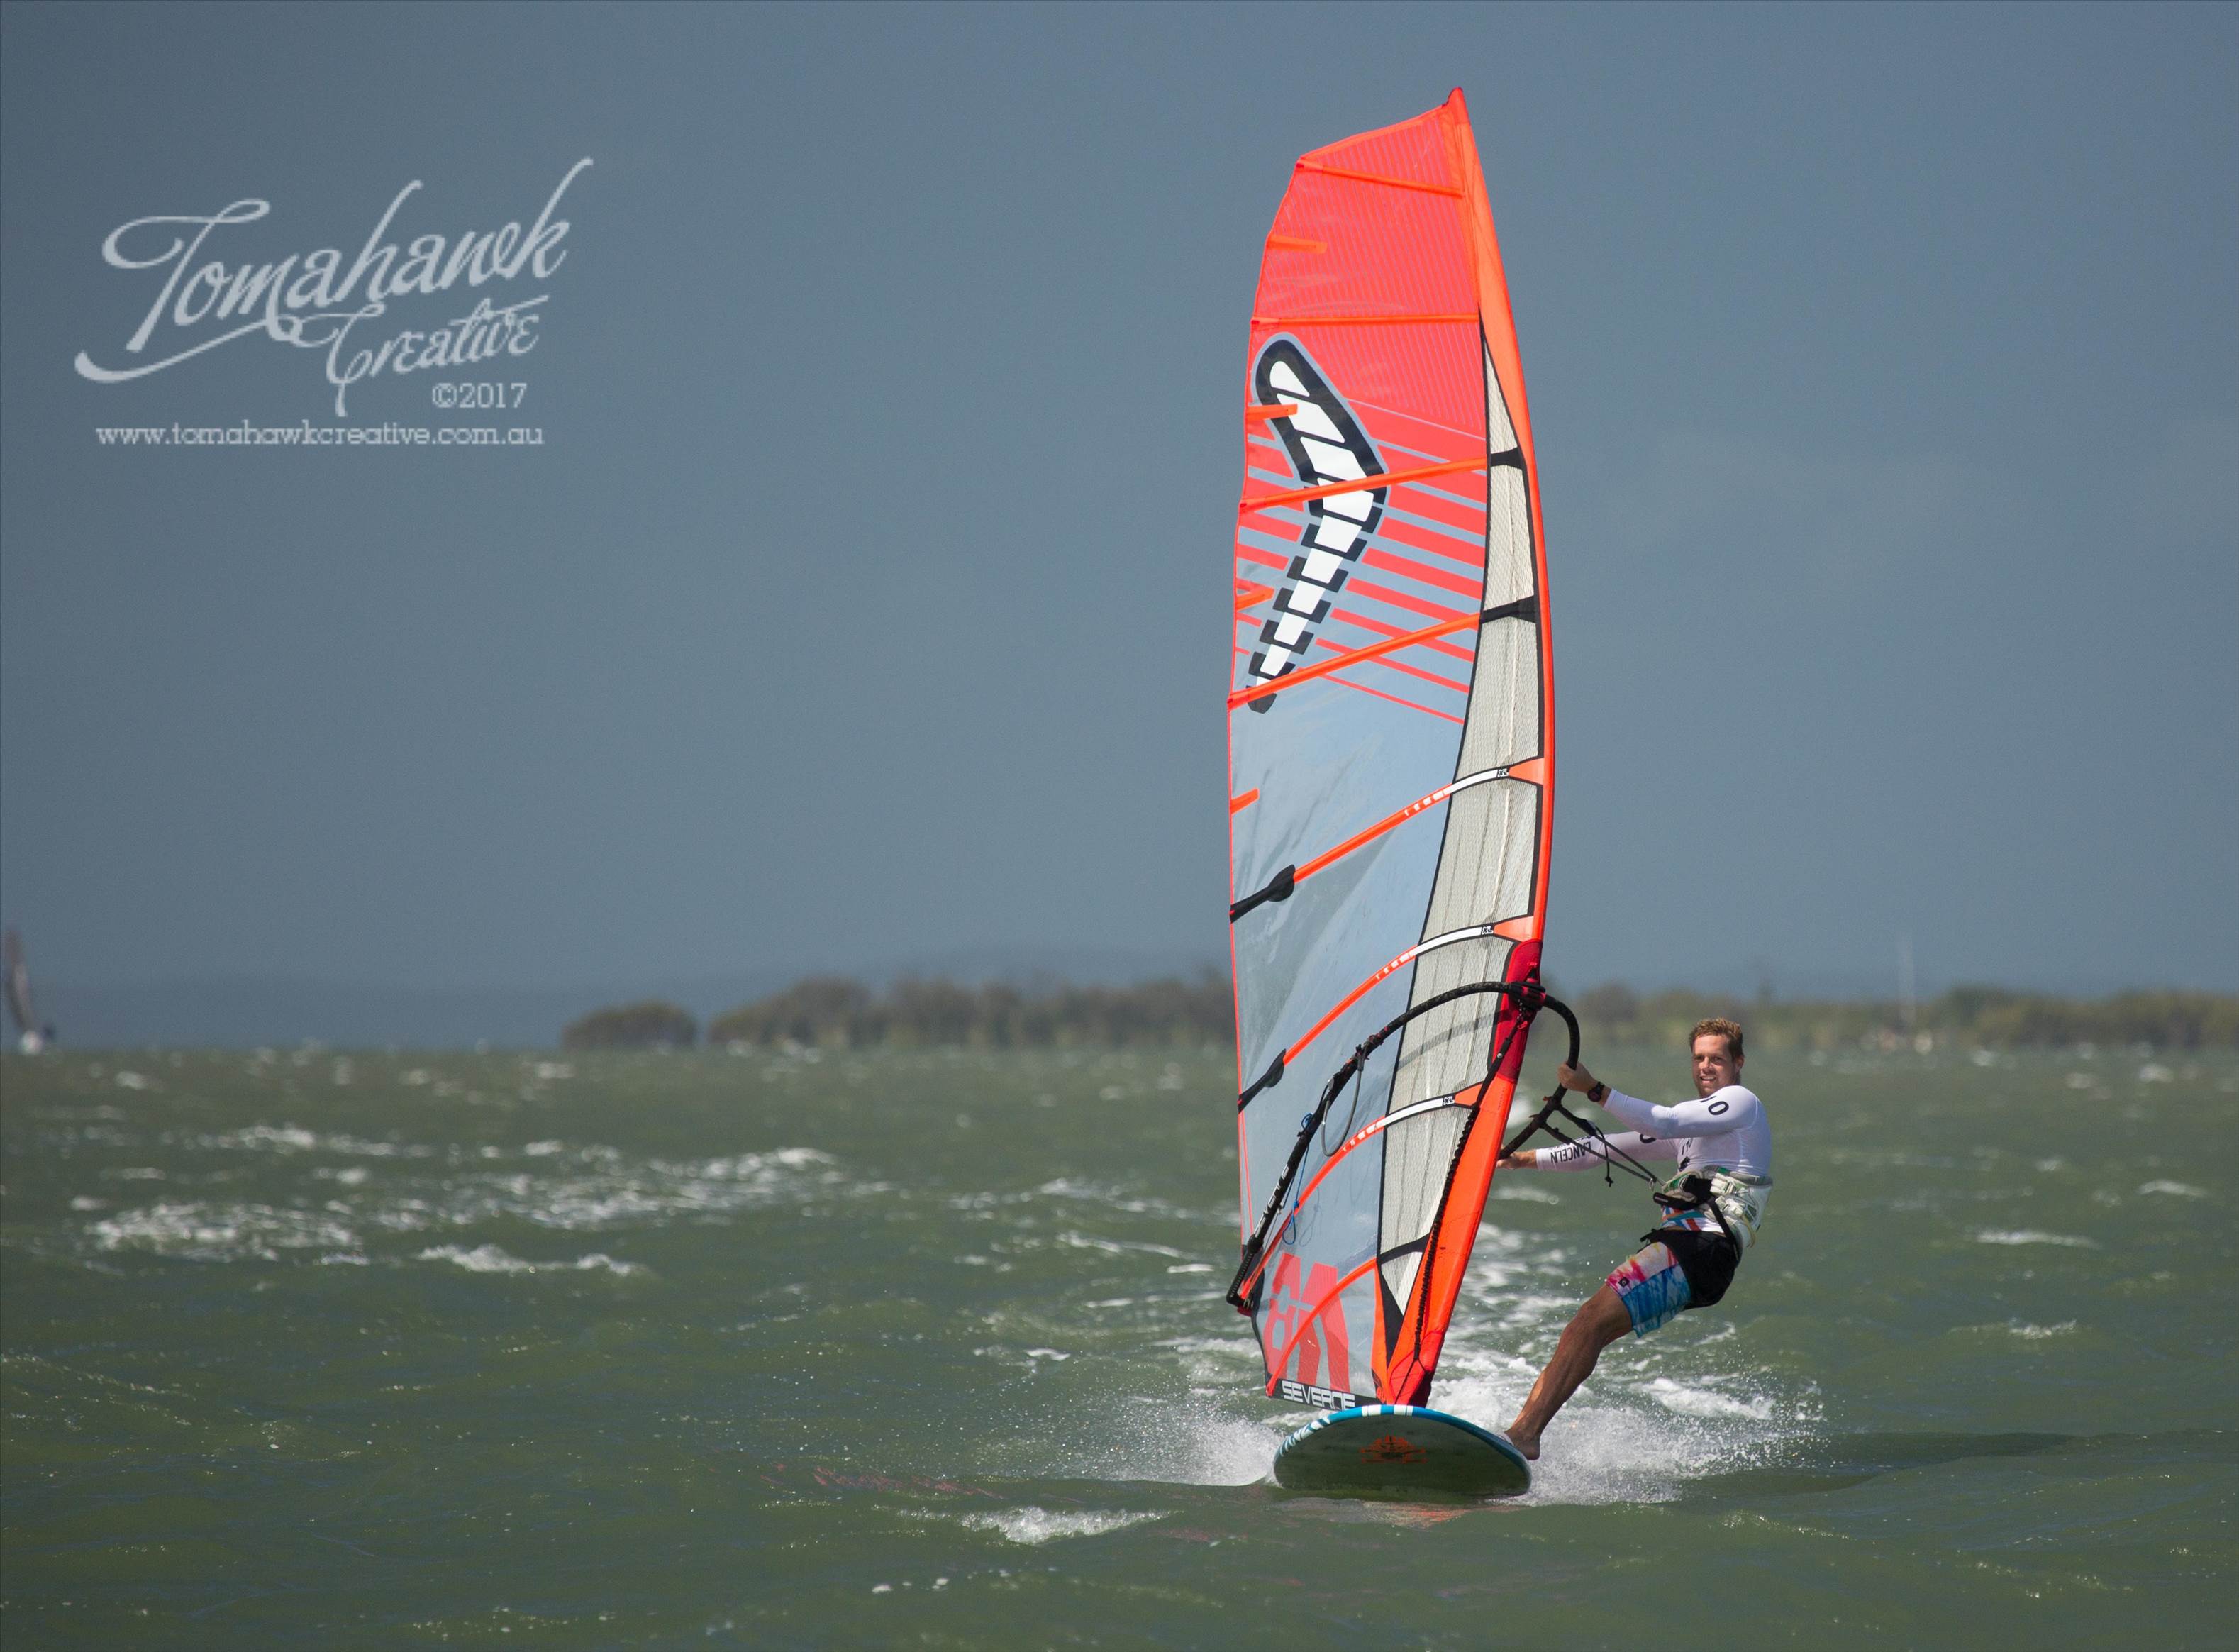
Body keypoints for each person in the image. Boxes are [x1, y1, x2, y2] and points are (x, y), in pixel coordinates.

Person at [1494, 1016, 1772, 1460]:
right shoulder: (1696, 1130)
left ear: (1738, 1063)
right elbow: (1604, 1148)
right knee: (1587, 1328)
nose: (1706, 1066)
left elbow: (1665, 1120)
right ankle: (1519, 1437)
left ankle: (1523, 1436)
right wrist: (1523, 1159)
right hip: (1691, 1251)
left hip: (1702, 1247)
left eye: (1717, 1059)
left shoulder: (1741, 1103)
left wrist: (1594, 1089)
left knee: (1588, 1322)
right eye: (1699, 1058)